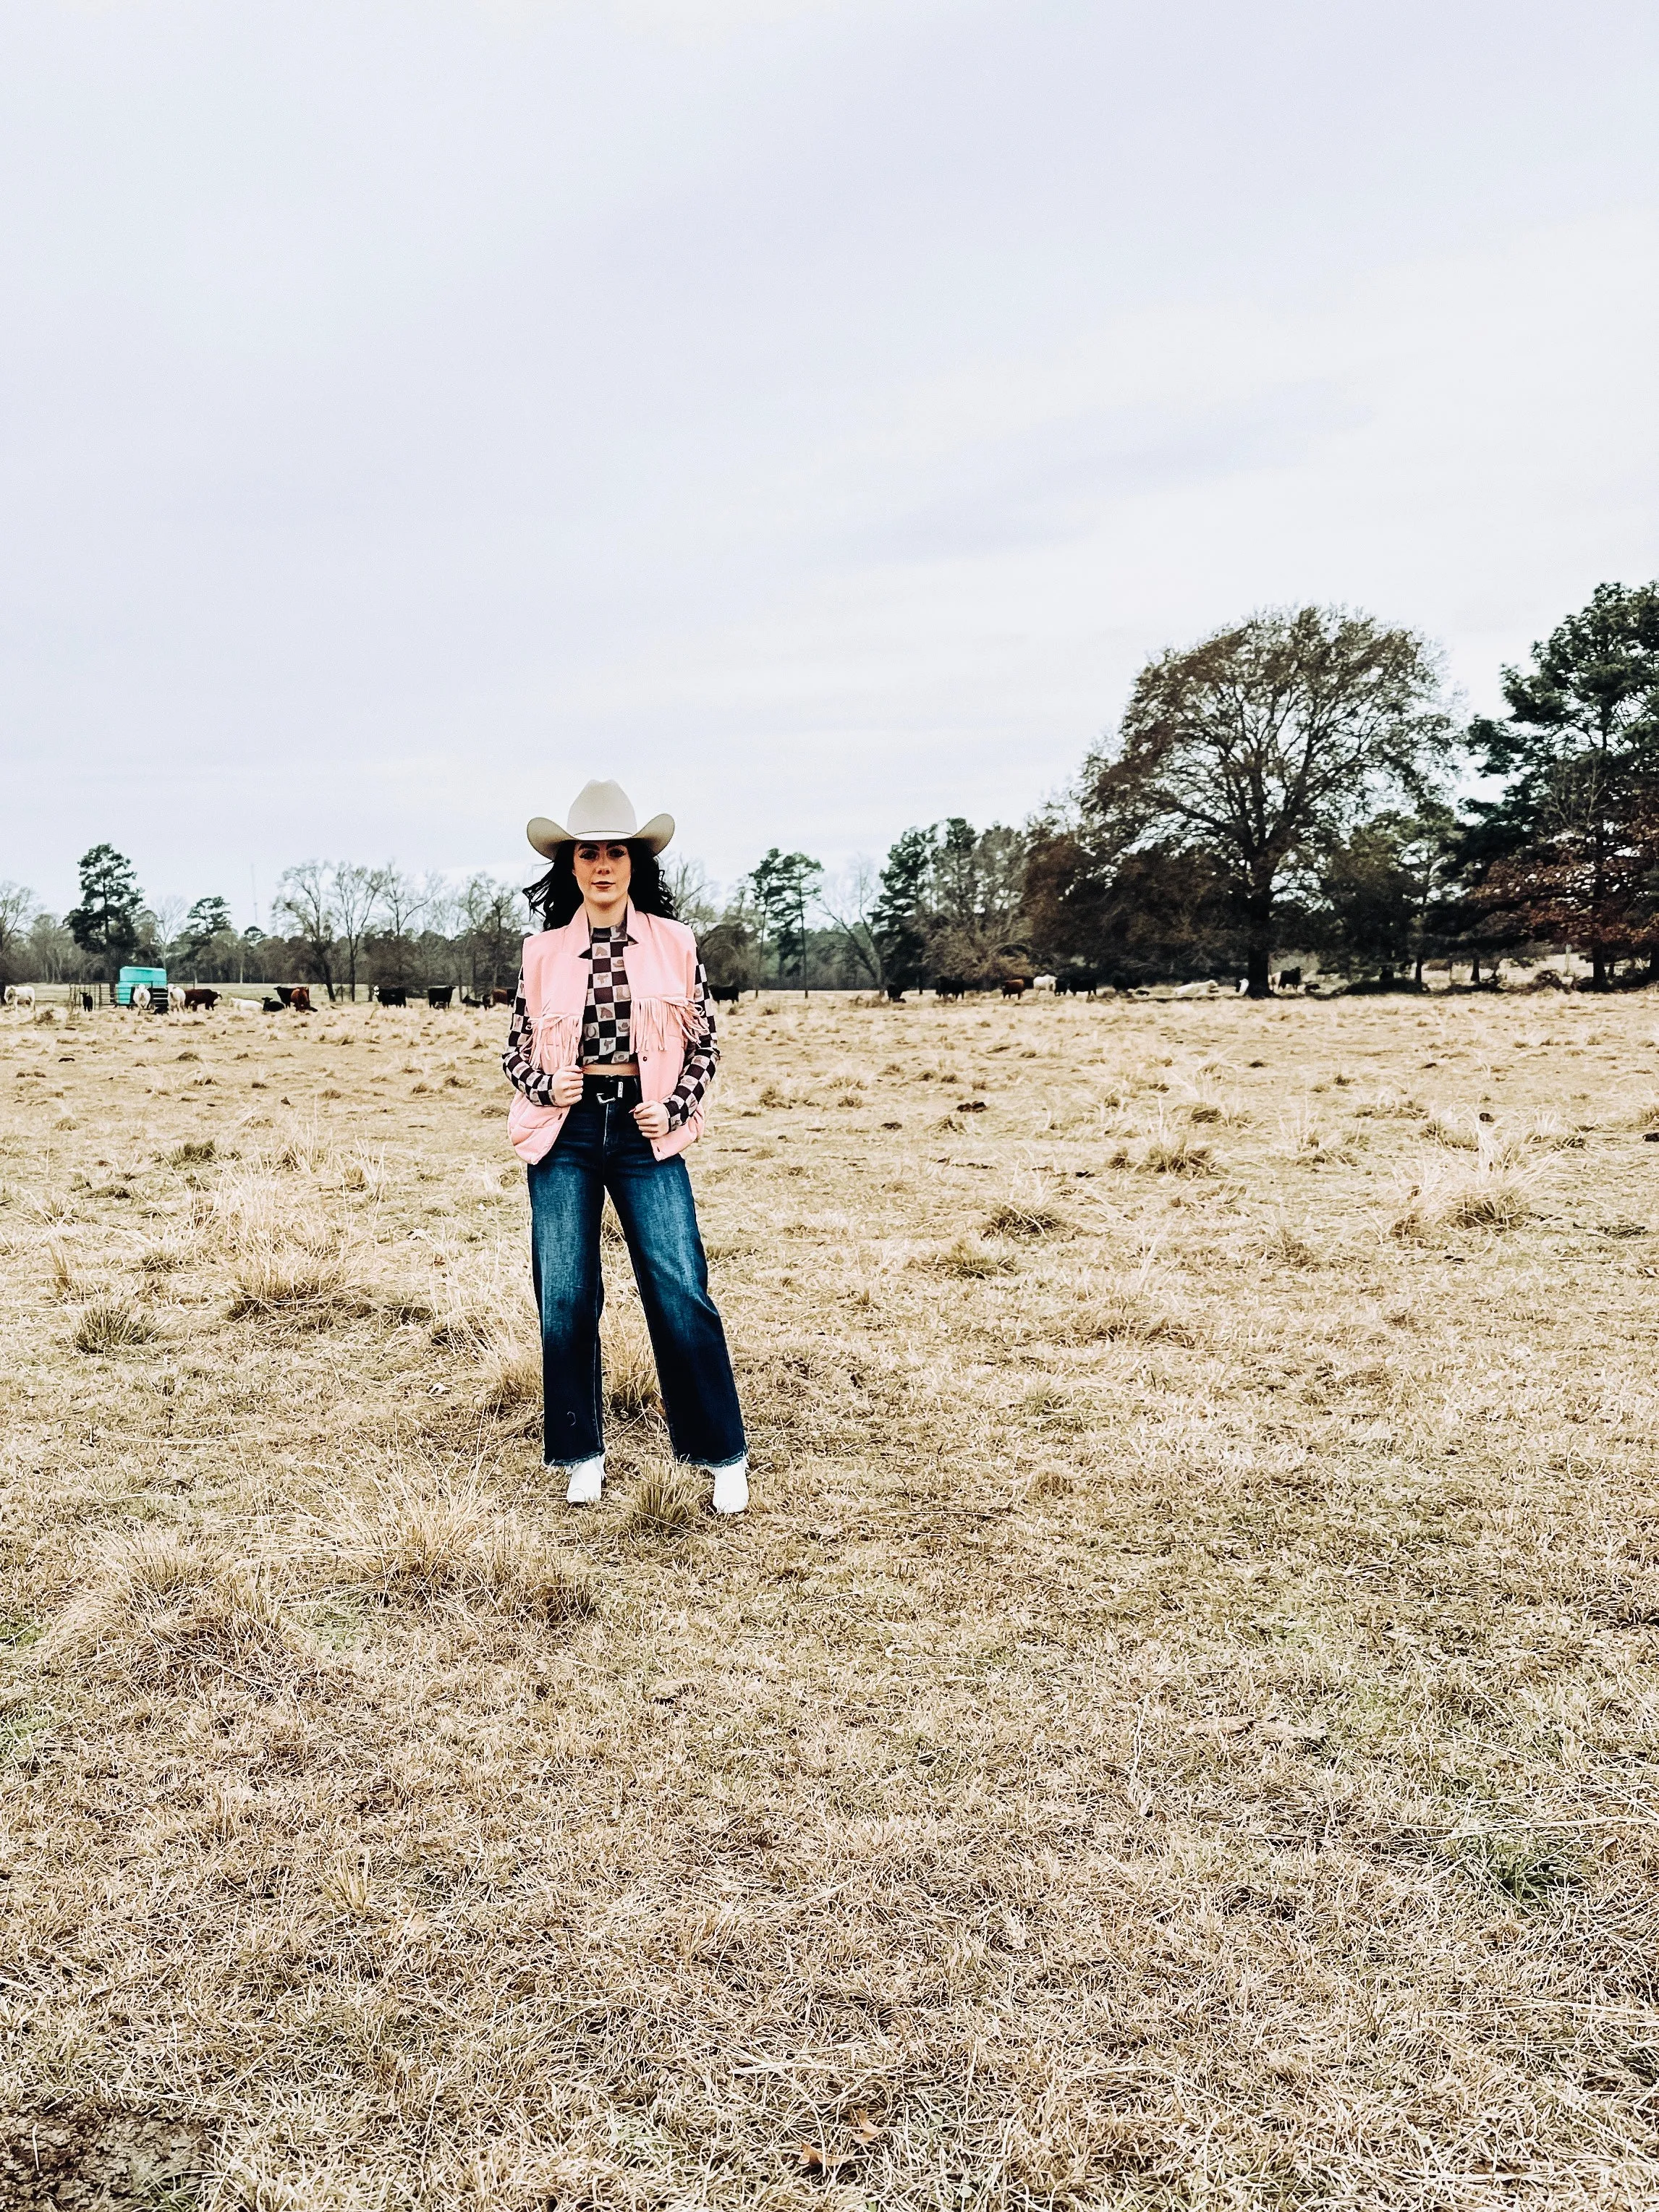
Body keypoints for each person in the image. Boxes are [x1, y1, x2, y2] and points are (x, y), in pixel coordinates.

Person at [501, 779, 748, 1513]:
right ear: (570, 866)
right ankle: (581, 1451)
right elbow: (514, 1052)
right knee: (567, 1293)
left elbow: (703, 1046)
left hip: (647, 1132)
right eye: (588, 854)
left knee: (680, 1286)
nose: (602, 865)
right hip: (566, 1134)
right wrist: (548, 1088)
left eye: (615, 852)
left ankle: (718, 1453)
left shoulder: (675, 943)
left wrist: (672, 1105)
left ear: (634, 862)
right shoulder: (542, 952)